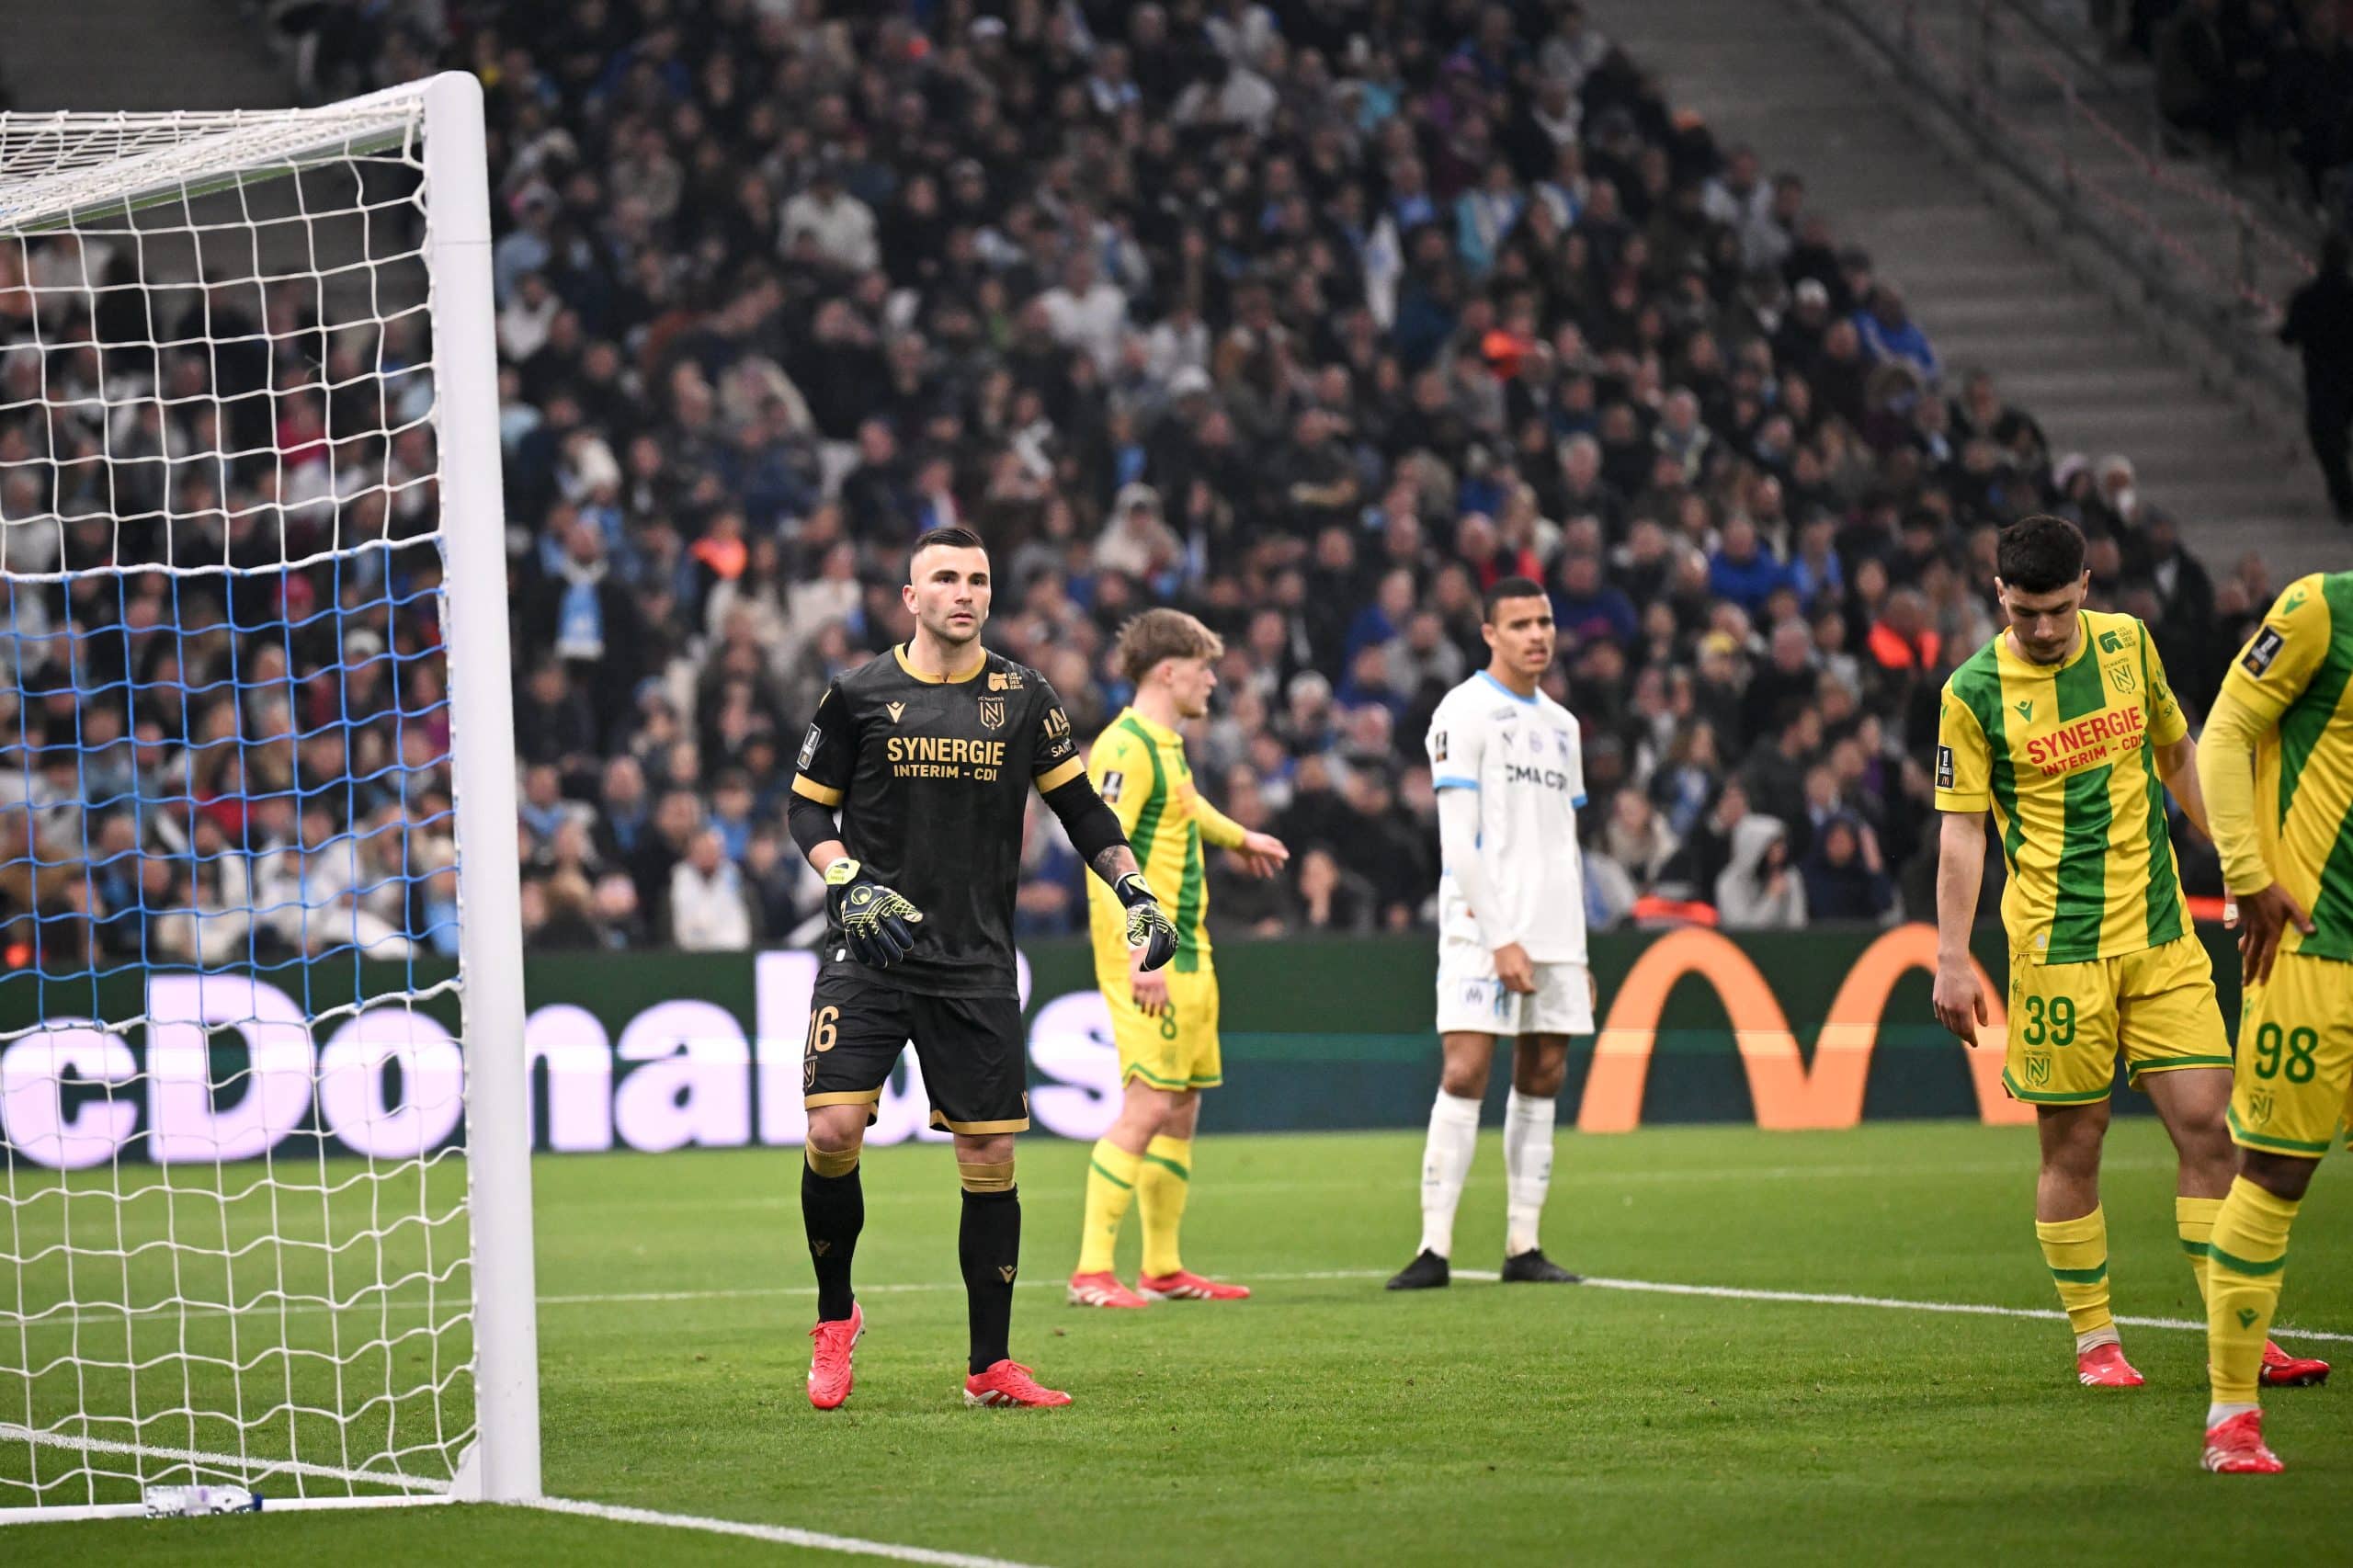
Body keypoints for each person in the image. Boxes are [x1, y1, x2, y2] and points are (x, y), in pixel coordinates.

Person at [1930, 516, 2328, 1391]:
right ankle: (2096, 1339)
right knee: (2076, 1146)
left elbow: (2179, 755)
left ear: (2085, 590)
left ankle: (2241, 1333)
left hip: (2160, 935)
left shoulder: (2130, 646)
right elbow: (1962, 836)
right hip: (2056, 949)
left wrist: (2238, 859)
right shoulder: (1972, 692)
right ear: (2001, 594)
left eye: (2057, 612)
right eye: (2024, 613)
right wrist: (1953, 958)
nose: (2040, 630)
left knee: (2208, 1126)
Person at [785, 526, 1178, 1411]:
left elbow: (1081, 810)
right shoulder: (856, 694)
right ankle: (835, 1316)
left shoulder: (1025, 696)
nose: (964, 592)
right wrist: (844, 877)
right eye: (945, 579)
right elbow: (807, 816)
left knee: (989, 1150)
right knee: (833, 1132)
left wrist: (1136, 892)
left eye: (977, 579)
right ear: (910, 598)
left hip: (975, 962)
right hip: (872, 949)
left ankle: (989, 1365)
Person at [1068, 609, 1290, 1310]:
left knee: (1182, 1105)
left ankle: (1161, 1269)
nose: (1213, 682)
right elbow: (1101, 850)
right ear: (1169, 670)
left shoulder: (1164, 744)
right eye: (1204, 668)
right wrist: (1143, 947)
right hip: (1150, 953)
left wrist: (1239, 837)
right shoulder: (1122, 748)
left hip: (1192, 948)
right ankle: (1091, 1273)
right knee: (1148, 1104)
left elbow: (1185, 808)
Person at [2189, 572, 2352, 1472]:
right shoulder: (2322, 608)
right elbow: (2223, 733)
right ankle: (2231, 1416)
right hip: (2310, 942)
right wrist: (2245, 873)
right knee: (2278, 1170)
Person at [1389, 575, 1593, 1290]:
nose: (1537, 635)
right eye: (1520, 624)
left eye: (1545, 621)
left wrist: (1578, 944)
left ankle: (1522, 1246)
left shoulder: (1564, 727)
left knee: (1544, 1075)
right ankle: (1433, 1249)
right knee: (1465, 1070)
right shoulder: (1463, 711)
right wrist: (1501, 934)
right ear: (1490, 635)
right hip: (1482, 928)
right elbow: (1460, 840)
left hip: (1557, 930)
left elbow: (1565, 841)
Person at [2279, 233, 2353, 523]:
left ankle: (2344, 496)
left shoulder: (2307, 298)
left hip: (2322, 380)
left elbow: (2289, 336)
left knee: (2326, 438)